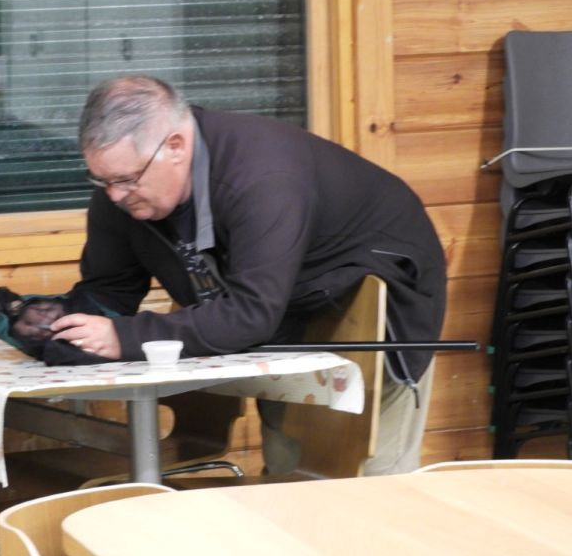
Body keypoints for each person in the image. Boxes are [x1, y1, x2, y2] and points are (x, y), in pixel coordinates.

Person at [46, 75, 447, 475]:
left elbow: (252, 313)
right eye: (102, 180)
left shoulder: (263, 176)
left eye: (127, 179)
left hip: (377, 293)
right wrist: (54, 328)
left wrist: (123, 337)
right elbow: (110, 290)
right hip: (288, 301)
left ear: (175, 147)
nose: (114, 196)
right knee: (291, 468)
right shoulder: (125, 193)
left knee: (369, 477)